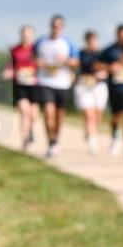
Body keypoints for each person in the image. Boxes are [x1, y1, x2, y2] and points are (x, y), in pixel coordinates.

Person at [34, 14, 79, 158]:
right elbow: (33, 57)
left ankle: (56, 140)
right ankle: (51, 143)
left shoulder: (68, 43)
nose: (56, 28)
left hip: (63, 82)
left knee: (59, 116)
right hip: (45, 81)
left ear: (62, 28)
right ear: (51, 26)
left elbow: (75, 62)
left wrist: (66, 61)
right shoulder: (41, 41)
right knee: (48, 112)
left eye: (59, 26)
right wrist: (38, 62)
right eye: (54, 26)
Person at [98, 24, 123, 159]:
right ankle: (115, 139)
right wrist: (109, 67)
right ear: (117, 35)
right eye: (122, 36)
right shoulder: (109, 50)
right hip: (115, 88)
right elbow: (96, 64)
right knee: (115, 117)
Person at [3, 25, 40, 150]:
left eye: (29, 33)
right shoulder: (14, 50)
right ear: (21, 35)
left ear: (32, 35)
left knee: (33, 114)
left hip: (35, 84)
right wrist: (8, 71)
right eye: (24, 33)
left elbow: (43, 64)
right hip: (20, 85)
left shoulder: (37, 49)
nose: (26, 36)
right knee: (24, 111)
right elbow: (10, 65)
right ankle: (24, 140)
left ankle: (30, 130)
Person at [74, 30, 109, 154]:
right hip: (84, 86)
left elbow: (107, 68)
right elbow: (75, 68)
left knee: (97, 116)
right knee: (89, 115)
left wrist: (103, 72)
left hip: (99, 86)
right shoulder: (80, 54)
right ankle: (93, 144)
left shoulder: (102, 54)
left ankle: (89, 132)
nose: (92, 42)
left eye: (94, 40)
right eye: (90, 40)